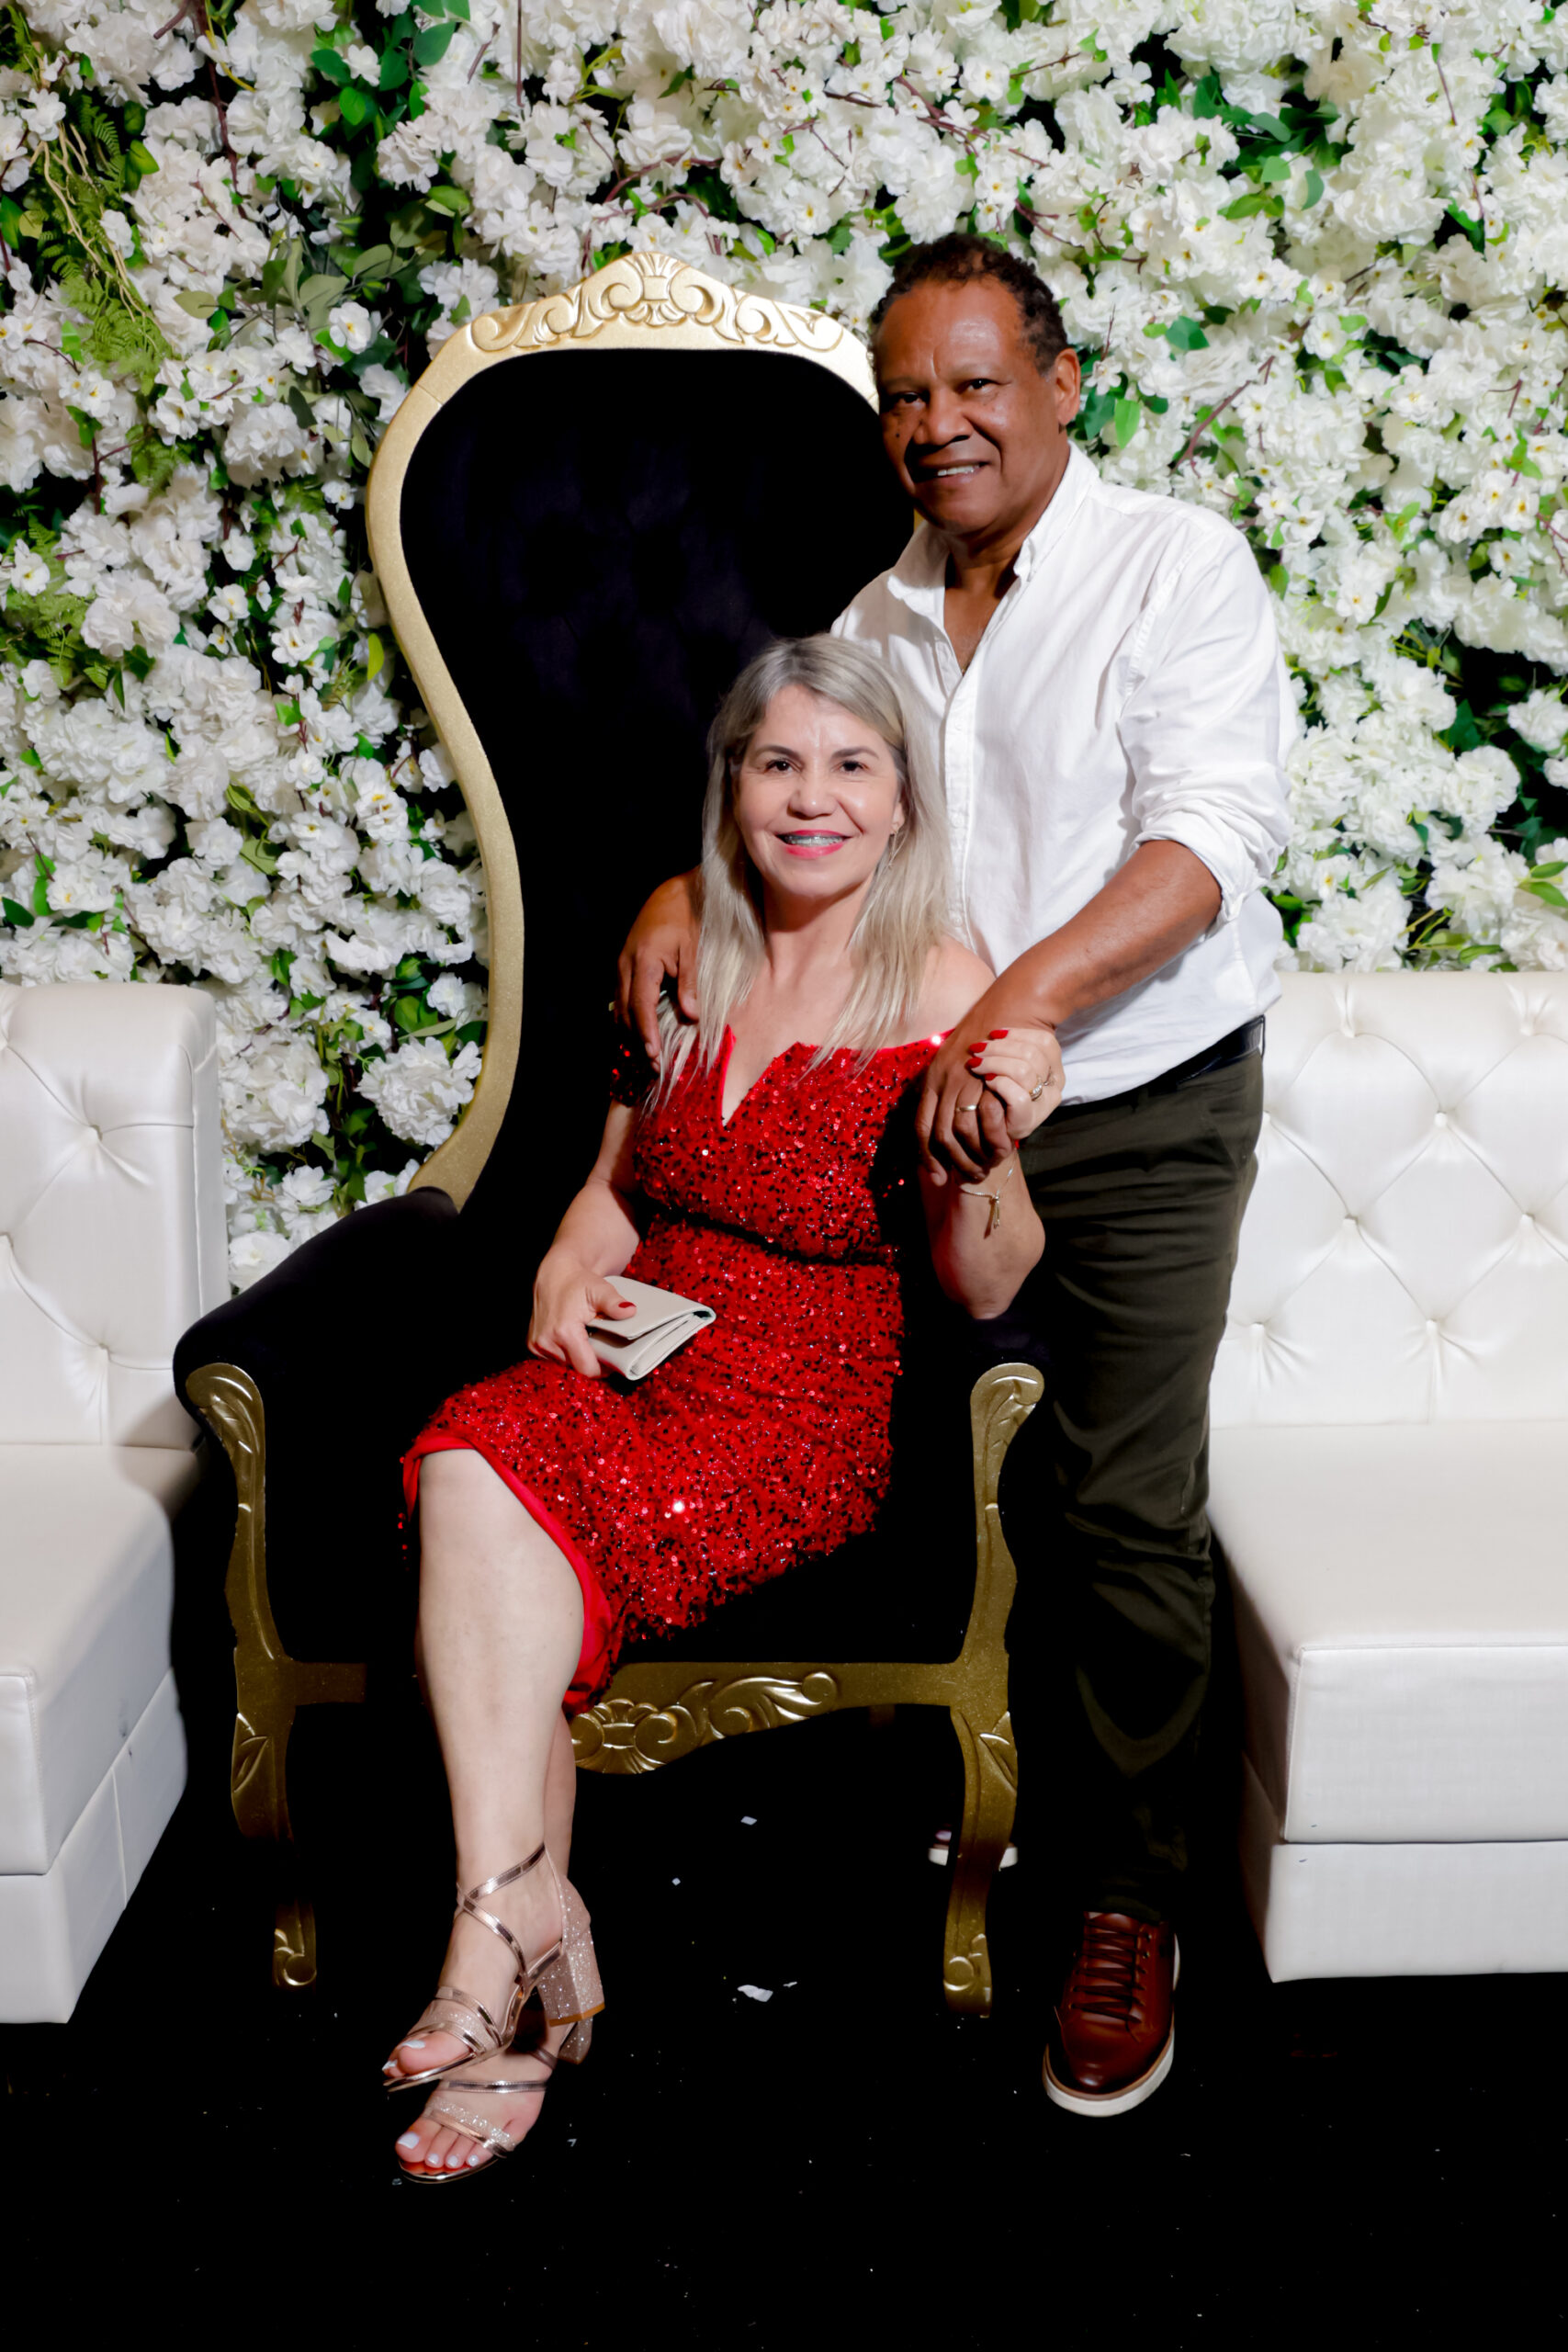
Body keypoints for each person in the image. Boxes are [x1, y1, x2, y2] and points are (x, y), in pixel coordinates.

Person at [618, 236, 1292, 2118]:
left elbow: (1203, 845)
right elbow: (818, 799)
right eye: (907, 395)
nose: (940, 425)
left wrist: (1009, 1010)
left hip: (1137, 1104)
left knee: (1118, 1498)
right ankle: (913, 1820)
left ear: (1061, 384)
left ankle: (1128, 1897)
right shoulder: (882, 606)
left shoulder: (1175, 566)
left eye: (977, 383)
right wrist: (672, 891)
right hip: (925, 1110)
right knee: (895, 1446)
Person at [385, 635, 1057, 2181]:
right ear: (734, 787)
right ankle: (516, 1925)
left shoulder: (947, 983)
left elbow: (988, 1280)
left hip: (795, 1403)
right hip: (636, 1355)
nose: (814, 799)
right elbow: (616, 1185)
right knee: (476, 1458)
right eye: (779, 763)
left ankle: (500, 1966)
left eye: (852, 766)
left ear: (903, 800)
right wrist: (566, 1266)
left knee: (498, 1487)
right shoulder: (685, 941)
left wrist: (990, 1160)